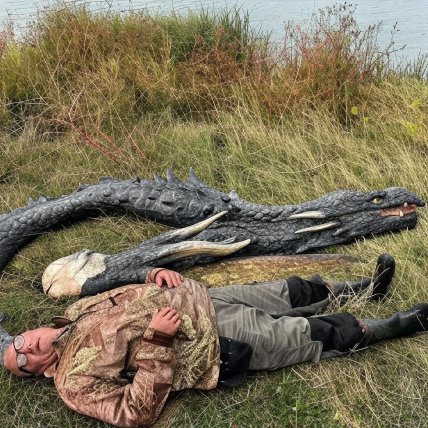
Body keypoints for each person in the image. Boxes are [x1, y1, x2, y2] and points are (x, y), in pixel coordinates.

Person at [1, 254, 427, 427]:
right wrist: (157, 342)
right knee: (310, 334)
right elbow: (134, 412)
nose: (26, 349)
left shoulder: (74, 312)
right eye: (22, 361)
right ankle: (402, 324)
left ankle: (369, 288)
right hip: (209, 342)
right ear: (37, 373)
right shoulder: (72, 384)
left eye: (19, 342)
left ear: (29, 331)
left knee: (293, 290)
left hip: (205, 297)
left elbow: (126, 295)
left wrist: (152, 276)